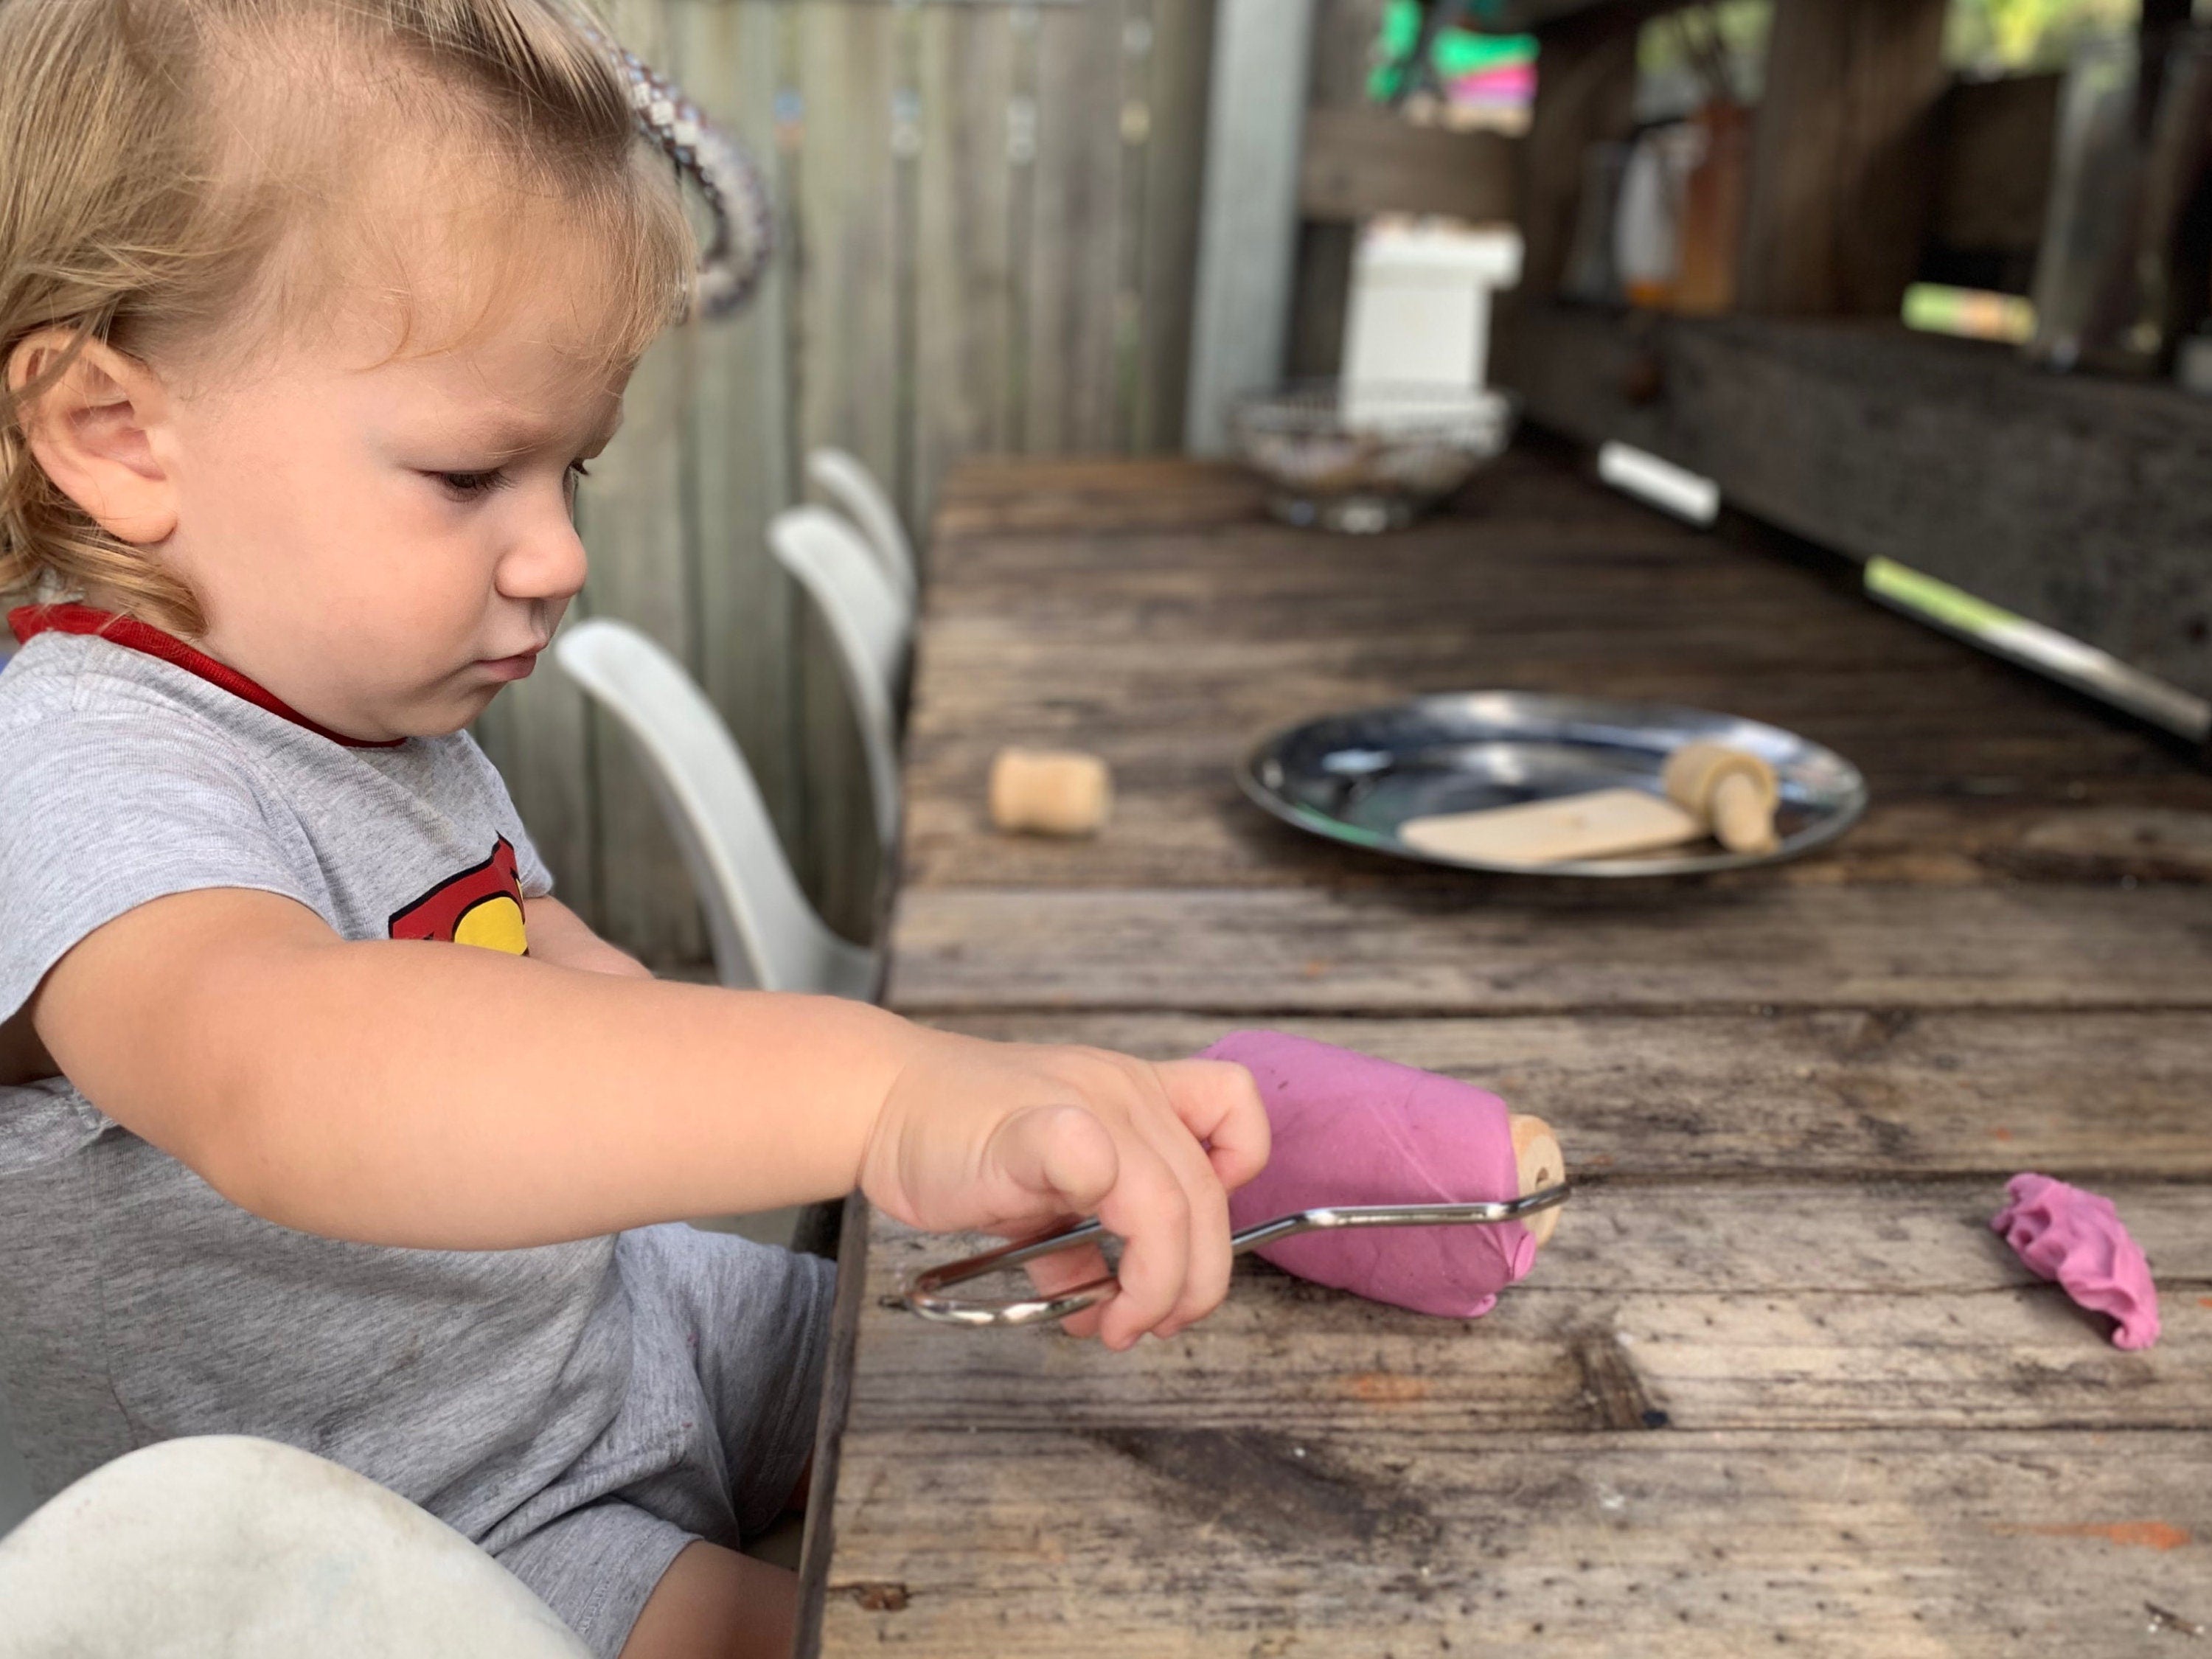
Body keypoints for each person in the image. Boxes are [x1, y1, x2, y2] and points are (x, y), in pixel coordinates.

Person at [0, 4, 1270, 1656]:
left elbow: (551, 977)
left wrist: (979, 1097)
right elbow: (281, 1075)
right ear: (115, 435)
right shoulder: (73, 763)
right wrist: (872, 1096)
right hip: (423, 1521)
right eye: (473, 476)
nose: (555, 555)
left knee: (1080, 1421)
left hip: (626, 1333)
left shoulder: (357, 708)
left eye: (571, 473)